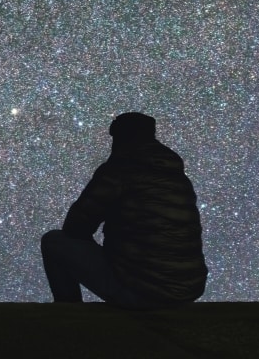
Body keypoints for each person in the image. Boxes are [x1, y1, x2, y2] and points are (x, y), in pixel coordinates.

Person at [41, 112, 207, 308]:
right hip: (188, 289)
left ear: (119, 136)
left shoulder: (119, 170)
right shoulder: (177, 177)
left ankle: (68, 314)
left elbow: (76, 226)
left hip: (144, 292)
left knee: (54, 241)